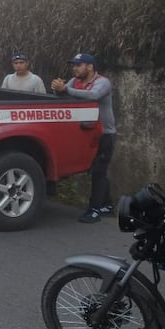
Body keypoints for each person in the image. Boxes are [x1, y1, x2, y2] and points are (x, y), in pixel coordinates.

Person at [51, 53, 116, 223]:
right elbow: (66, 96)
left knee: (99, 170)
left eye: (79, 65)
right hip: (88, 132)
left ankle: (94, 210)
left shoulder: (102, 82)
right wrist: (58, 90)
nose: (74, 68)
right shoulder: (74, 81)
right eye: (73, 65)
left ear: (90, 67)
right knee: (95, 169)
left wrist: (66, 89)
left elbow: (93, 96)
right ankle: (108, 205)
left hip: (105, 134)